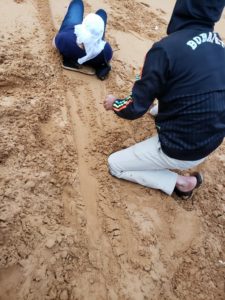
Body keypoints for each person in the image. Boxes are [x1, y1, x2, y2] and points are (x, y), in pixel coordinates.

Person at [103, 0, 225, 199]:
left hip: (181, 148)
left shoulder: (165, 49)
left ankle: (183, 183)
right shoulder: (221, 46)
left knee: (115, 164)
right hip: (211, 140)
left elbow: (135, 107)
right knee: (183, 86)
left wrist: (114, 103)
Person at [53, 0, 113, 80]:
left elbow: (54, 43)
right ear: (101, 33)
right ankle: (96, 31)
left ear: (82, 26)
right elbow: (108, 58)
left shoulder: (64, 38)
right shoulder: (106, 51)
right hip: (95, 55)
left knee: (77, 2)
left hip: (70, 37)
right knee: (102, 13)